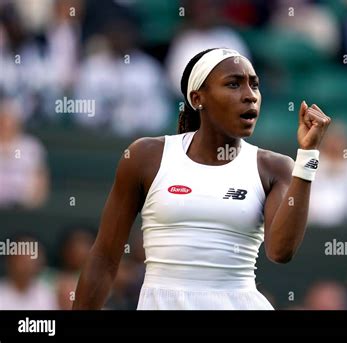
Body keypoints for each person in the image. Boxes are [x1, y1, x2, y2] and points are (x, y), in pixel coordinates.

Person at [72, 48, 331, 310]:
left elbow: (280, 252)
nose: (250, 96)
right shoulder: (145, 156)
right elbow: (104, 257)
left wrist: (308, 157)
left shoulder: (274, 167)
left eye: (254, 85)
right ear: (198, 98)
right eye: (233, 84)